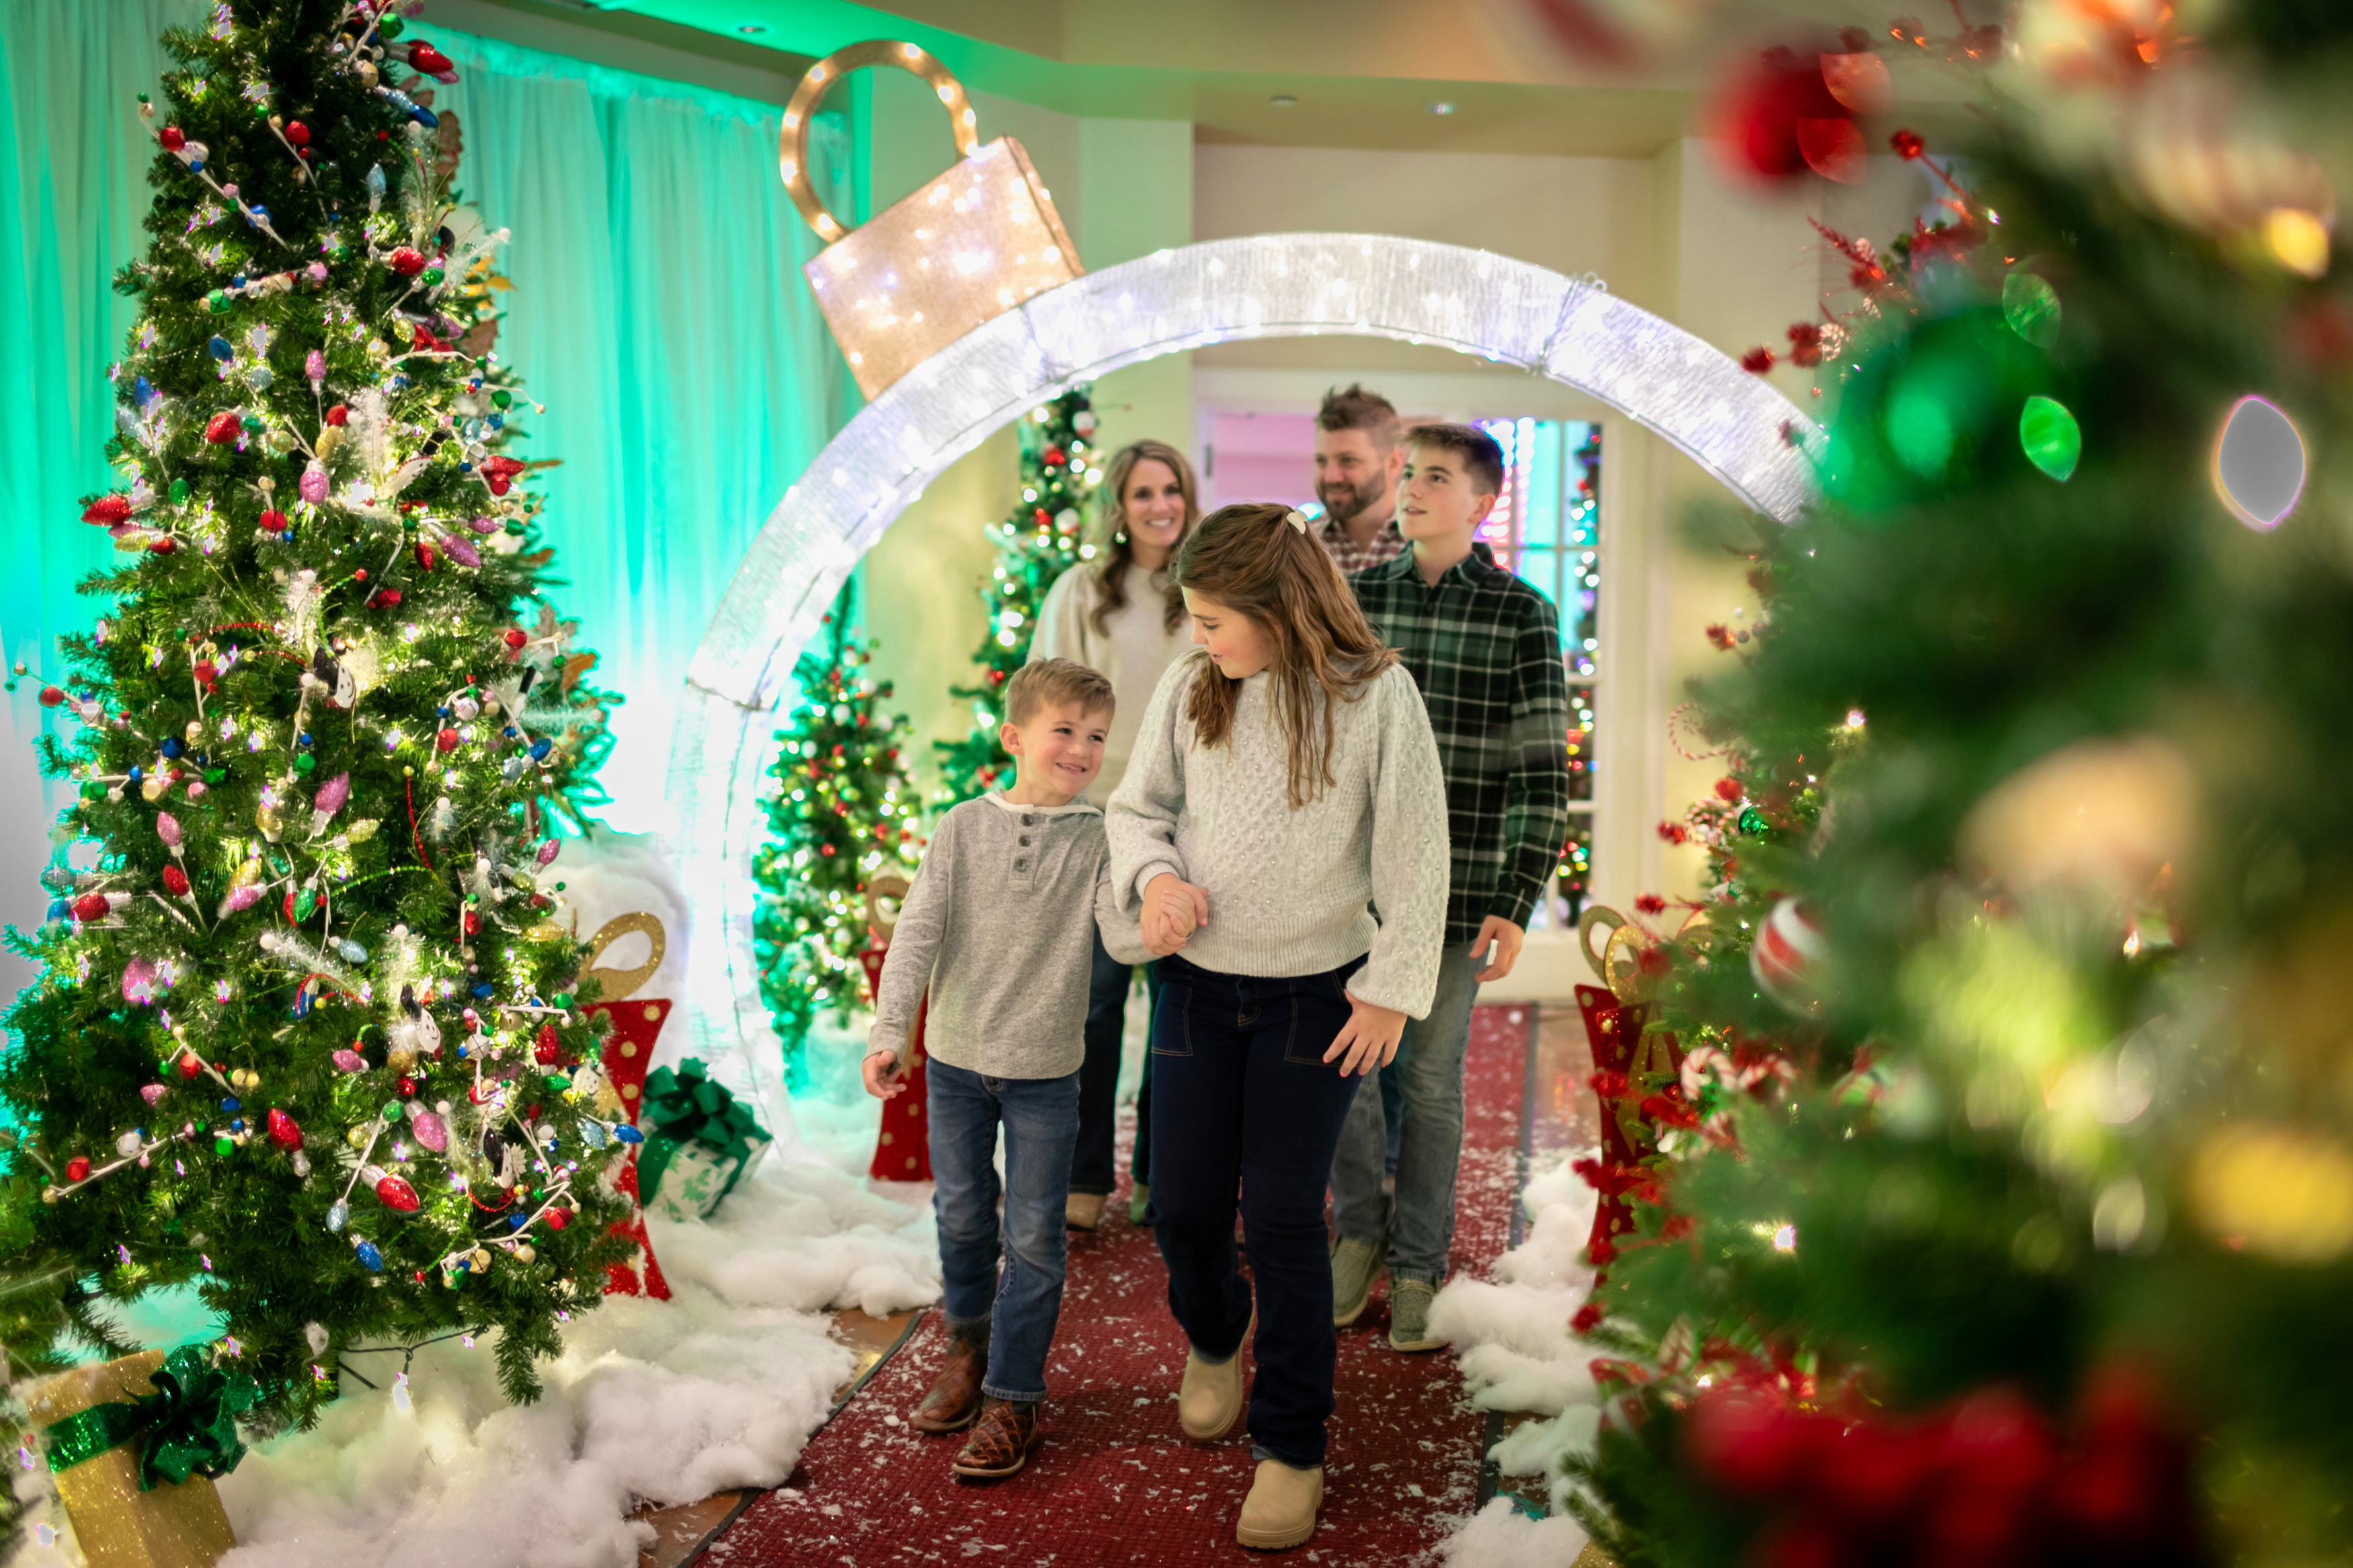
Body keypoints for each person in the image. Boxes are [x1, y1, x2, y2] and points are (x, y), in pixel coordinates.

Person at [1108, 503, 1448, 1551]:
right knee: (1185, 1209)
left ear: (1281, 607)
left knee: (1289, 1217)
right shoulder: (1190, 686)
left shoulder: (1376, 694)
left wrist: (1392, 983)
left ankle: (1293, 1444)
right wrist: (1157, 879)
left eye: (1215, 618)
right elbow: (1136, 811)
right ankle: (1216, 1336)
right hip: (1197, 987)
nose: (1200, 635)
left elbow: (1415, 849)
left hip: (1319, 993)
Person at [863, 659, 1147, 1481]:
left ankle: (1013, 1395)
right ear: (1015, 736)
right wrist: (891, 1033)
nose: (1081, 747)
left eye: (1095, 735)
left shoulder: (1095, 836)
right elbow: (916, 931)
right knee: (960, 1216)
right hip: (953, 1064)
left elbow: (1119, 935)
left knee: (1033, 1236)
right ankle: (966, 1346)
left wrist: (1167, 922)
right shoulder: (960, 826)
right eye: (1064, 730)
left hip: (1047, 1074)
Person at [1330, 423, 1572, 1353]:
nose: (1416, 488)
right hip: (1355, 895)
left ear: (1482, 502)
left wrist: (1515, 897)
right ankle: (1358, 1233)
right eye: (1408, 474)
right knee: (1350, 1076)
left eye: (1438, 476)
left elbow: (1541, 772)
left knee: (1428, 1080)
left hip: (1462, 892)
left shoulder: (1523, 613)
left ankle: (1421, 1261)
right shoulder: (1355, 603)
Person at [1029, 439, 1201, 1232]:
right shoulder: (1078, 592)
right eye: (1142, 493)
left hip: (1189, 823)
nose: (1159, 504)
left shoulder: (1203, 591)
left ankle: (1162, 1177)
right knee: (1094, 1006)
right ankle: (1084, 1173)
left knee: (1180, 1009)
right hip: (1098, 820)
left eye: (1171, 489)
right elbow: (1046, 696)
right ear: (1119, 506)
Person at [1310, 383, 1407, 575]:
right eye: (1321, 461)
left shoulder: (1430, 545)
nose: (1332, 477)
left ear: (1394, 463)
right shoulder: (1299, 544)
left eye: (1348, 460)